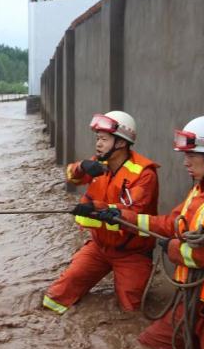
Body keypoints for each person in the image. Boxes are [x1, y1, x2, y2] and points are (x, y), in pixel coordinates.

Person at [97, 116, 204, 349]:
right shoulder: (202, 188)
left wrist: (174, 249)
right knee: (146, 346)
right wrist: (121, 216)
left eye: (191, 156)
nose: (185, 162)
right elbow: (171, 223)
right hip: (191, 300)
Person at [42, 111, 159, 314]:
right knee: (56, 298)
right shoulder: (99, 162)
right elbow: (72, 177)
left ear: (121, 143)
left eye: (104, 139)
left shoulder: (144, 175)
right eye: (97, 139)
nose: (98, 144)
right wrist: (81, 167)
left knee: (131, 310)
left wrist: (94, 208)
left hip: (132, 253)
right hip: (99, 247)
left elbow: (130, 213)